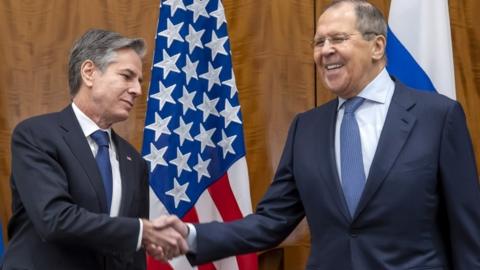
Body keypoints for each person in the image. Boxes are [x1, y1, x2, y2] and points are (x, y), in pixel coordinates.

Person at [166, 0, 480, 269]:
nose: (325, 51)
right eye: (318, 42)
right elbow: (272, 221)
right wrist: (191, 236)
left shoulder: (437, 116)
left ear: (377, 46)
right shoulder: (307, 128)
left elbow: (467, 229)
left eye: (338, 39)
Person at [1, 29, 187, 270]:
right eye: (127, 76)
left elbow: (132, 252)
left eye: (139, 81)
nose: (137, 91)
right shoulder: (36, 135)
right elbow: (54, 219)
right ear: (89, 73)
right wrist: (143, 230)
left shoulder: (134, 161)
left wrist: (141, 234)